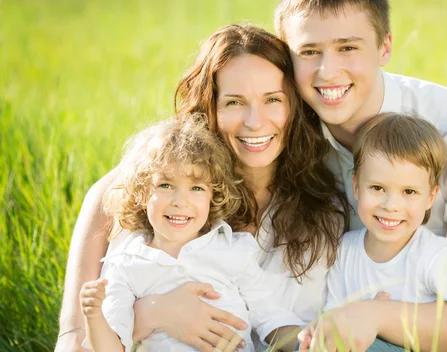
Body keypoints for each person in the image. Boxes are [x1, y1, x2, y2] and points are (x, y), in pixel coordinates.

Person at [273, 0, 447, 351]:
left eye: (348, 47)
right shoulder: (285, 135)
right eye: (309, 52)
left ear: (385, 48)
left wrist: (373, 314)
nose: (327, 72)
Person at [55, 25, 349, 352]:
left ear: (294, 105)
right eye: (234, 102)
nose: (255, 121)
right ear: (209, 107)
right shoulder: (148, 200)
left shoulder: (329, 201)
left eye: (273, 100)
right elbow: (75, 343)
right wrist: (153, 312)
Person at [79, 114, 305, 352]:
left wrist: (312, 343)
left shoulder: (232, 250)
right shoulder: (126, 263)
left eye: (196, 188)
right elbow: (112, 348)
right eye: (165, 185)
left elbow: (271, 319)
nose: (180, 201)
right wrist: (93, 316)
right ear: (142, 193)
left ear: (213, 196)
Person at [315, 113, 447, 352]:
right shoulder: (345, 251)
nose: (391, 205)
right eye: (377, 188)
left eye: (409, 192)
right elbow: (333, 327)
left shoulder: (437, 257)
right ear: (356, 186)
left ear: (430, 197)